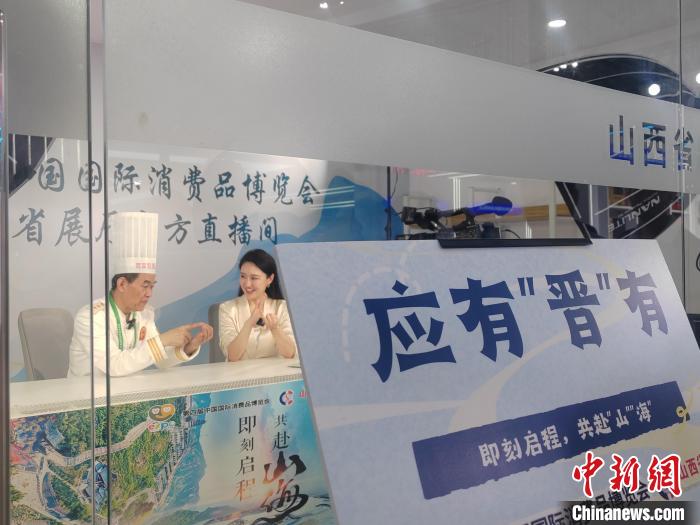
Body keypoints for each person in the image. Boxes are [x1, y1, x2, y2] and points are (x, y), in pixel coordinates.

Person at [68, 212, 213, 377]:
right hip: (88, 393)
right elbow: (114, 365)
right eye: (145, 286)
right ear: (122, 284)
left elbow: (160, 360)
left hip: (131, 390)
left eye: (152, 286)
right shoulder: (91, 317)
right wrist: (163, 340)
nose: (149, 294)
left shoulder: (143, 314)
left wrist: (189, 347)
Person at [219, 249, 297, 361]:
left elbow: (290, 353)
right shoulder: (227, 309)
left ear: (269, 279)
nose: (247, 284)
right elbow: (232, 356)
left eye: (254, 278)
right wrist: (250, 322)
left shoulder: (282, 307)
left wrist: (275, 329)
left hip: (276, 372)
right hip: (241, 372)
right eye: (243, 276)